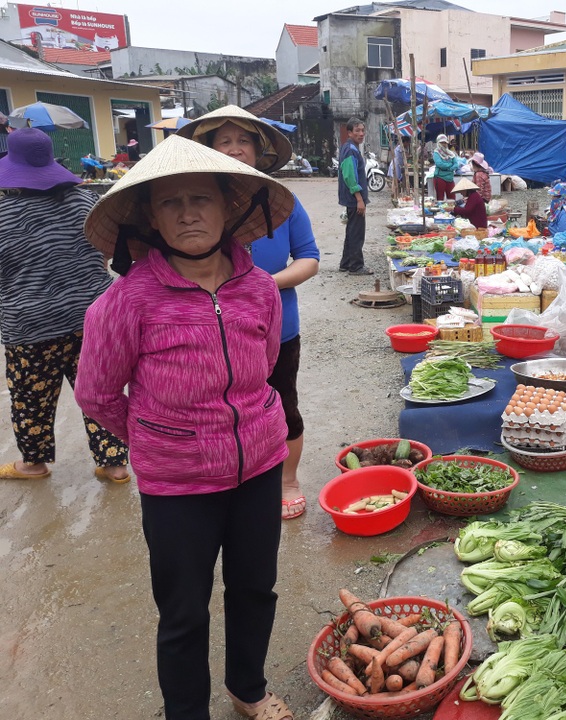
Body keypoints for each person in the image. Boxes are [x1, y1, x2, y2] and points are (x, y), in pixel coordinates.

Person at [75, 134, 296, 720]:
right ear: (150, 217)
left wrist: (244, 426)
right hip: (178, 486)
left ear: (230, 209)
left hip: (259, 466)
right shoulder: (125, 303)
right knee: (183, 612)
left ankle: (247, 689)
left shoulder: (258, 290)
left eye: (202, 198)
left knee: (255, 590)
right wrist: (161, 436)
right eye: (171, 203)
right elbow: (96, 395)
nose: (188, 212)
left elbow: (265, 364)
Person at [177, 105, 320, 521]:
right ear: (207, 148)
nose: (236, 150)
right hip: (206, 329)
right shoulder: (195, 202)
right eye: (225, 141)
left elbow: (308, 258)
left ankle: (287, 481)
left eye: (244, 142)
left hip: (277, 328)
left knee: (281, 404)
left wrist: (263, 286)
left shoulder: (282, 202)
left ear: (260, 152)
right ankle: (224, 479)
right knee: (215, 409)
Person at [0, 128, 129, 483]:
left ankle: (34, 464)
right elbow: (108, 249)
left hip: (29, 327)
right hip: (93, 317)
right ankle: (114, 463)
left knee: (31, 398)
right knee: (100, 390)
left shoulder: (3, 213)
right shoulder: (84, 201)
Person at [337, 117, 373, 275]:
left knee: (351, 231)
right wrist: (359, 199)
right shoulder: (351, 149)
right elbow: (350, 176)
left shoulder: (349, 147)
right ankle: (356, 266)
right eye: (357, 130)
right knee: (357, 233)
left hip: (351, 198)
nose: (361, 133)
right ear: (350, 132)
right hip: (354, 199)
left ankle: (346, 263)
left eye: (363, 130)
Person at [432, 134, 458, 200]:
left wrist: (450, 167)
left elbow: (456, 164)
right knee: (440, 199)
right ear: (438, 143)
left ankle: (452, 210)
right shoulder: (436, 153)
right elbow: (440, 164)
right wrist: (450, 165)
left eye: (445, 142)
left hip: (450, 178)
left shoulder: (451, 153)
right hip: (440, 178)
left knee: (452, 199)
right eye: (442, 142)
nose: (444, 144)